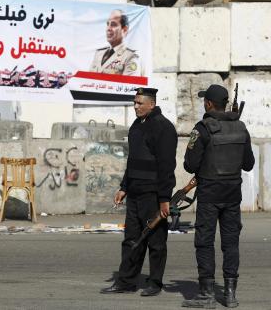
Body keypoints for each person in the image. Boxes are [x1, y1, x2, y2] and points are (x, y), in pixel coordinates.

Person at [182, 85, 255, 309]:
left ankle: (207, 293)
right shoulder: (241, 127)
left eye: (205, 101)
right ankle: (230, 294)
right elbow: (249, 164)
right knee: (230, 243)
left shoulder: (202, 128)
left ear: (209, 104)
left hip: (210, 194)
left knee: (204, 242)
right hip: (233, 194)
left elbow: (190, 164)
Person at [101, 87, 177, 297]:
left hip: (152, 194)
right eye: (134, 103)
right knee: (131, 239)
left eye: (139, 103)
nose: (135, 107)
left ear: (151, 104)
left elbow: (166, 166)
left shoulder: (164, 128)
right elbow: (132, 160)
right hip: (134, 192)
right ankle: (126, 281)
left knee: (155, 241)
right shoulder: (136, 125)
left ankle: (155, 282)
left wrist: (164, 198)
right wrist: (124, 187)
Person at [89, 10, 141, 76]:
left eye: (113, 24)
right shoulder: (99, 54)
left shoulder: (130, 57)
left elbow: (129, 85)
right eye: (108, 24)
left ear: (124, 30)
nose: (108, 28)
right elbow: (89, 79)